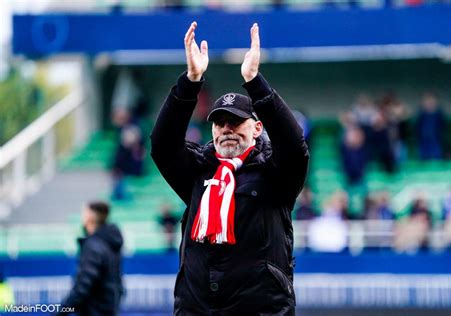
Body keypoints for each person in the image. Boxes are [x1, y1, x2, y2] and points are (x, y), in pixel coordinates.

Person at [150, 22, 309, 315]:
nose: (226, 129)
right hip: (197, 308)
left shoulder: (275, 173)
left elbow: (294, 145)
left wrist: (254, 80)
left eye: (235, 122)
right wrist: (191, 81)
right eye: (219, 123)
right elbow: (162, 145)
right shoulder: (199, 170)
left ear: (257, 127)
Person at [60, 202, 124, 316]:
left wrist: (61, 311)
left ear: (89, 217)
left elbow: (83, 286)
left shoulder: (93, 246)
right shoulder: (109, 243)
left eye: (84, 213)